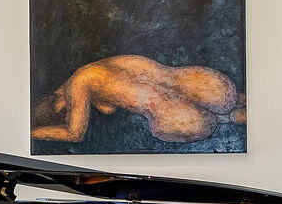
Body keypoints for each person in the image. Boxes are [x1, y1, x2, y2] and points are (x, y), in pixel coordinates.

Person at [31, 56, 244, 144]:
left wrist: (30, 133)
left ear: (57, 105)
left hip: (179, 117)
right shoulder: (92, 70)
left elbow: (75, 134)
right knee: (238, 101)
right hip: (205, 82)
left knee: (160, 127)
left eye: (67, 114)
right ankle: (233, 113)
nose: (73, 114)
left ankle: (230, 117)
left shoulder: (78, 84)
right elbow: (109, 105)